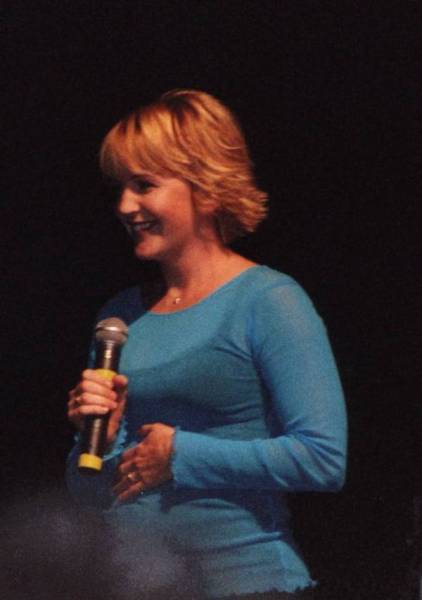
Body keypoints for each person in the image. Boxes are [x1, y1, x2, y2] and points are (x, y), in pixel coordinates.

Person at [66, 89, 347, 599]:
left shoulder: (268, 300)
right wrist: (99, 443)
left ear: (207, 188)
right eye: (120, 188)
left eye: (144, 185)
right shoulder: (118, 318)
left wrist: (181, 454)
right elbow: (90, 495)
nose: (124, 206)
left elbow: (322, 458)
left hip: (244, 583)